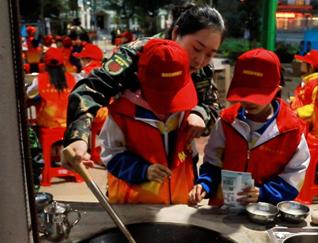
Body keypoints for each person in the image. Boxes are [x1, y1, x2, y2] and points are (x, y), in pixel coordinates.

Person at [62, 5, 225, 169]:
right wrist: (77, 138)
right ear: (176, 33)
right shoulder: (136, 55)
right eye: (196, 48)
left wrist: (200, 113)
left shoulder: (203, 69)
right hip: (131, 160)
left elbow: (213, 105)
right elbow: (89, 89)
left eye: (210, 54)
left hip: (179, 164)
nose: (200, 60)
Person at [188, 49, 309, 206]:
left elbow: (295, 176)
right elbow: (213, 162)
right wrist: (204, 184)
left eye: (257, 97)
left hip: (265, 210)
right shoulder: (227, 122)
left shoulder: (292, 130)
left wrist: (264, 192)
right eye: (243, 94)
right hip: (223, 208)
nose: (249, 102)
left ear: (276, 91)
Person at [99, 39, 197, 204]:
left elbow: (190, 154)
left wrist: (196, 183)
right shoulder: (122, 113)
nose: (170, 104)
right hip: (135, 208)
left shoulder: (185, 107)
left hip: (179, 204)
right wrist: (143, 171)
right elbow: (110, 154)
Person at [26, 48, 76, 128]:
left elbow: (28, 94)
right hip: (69, 130)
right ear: (62, 63)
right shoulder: (73, 79)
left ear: (45, 63)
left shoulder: (39, 79)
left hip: (46, 130)